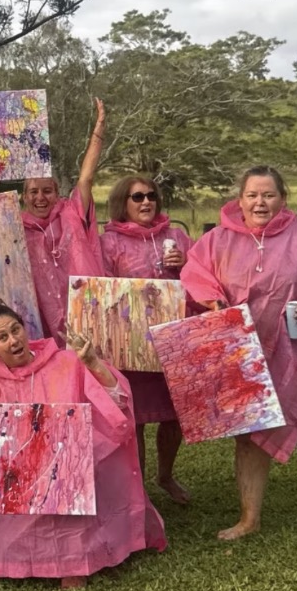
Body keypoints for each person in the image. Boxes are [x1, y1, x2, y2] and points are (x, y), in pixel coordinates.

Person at [181, 165, 297, 542]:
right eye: (252, 195)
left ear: (283, 198)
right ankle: (249, 519)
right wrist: (214, 302)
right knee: (249, 438)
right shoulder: (217, 240)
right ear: (240, 199)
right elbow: (196, 274)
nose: (260, 202)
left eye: (268, 195)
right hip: (246, 355)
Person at [0, 299, 166, 586]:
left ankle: (75, 562)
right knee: (10, 544)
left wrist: (93, 363)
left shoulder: (66, 363)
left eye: (16, 330)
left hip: (69, 482)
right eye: (2, 337)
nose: (13, 340)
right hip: (18, 485)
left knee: (73, 508)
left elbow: (117, 403)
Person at [0, 99, 106, 341]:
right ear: (24, 196)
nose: (40, 198)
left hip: (86, 313)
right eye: (33, 192)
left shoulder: (72, 212)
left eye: (47, 191)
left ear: (57, 192)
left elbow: (86, 178)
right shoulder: (13, 227)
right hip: (40, 322)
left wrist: (99, 130)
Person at [101, 175, 195, 504]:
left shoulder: (177, 236)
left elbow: (203, 277)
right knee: (136, 420)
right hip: (132, 347)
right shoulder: (108, 242)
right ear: (122, 203)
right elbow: (102, 288)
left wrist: (186, 264)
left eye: (151, 196)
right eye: (137, 197)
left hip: (173, 340)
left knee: (174, 416)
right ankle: (138, 491)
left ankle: (165, 475)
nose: (146, 202)